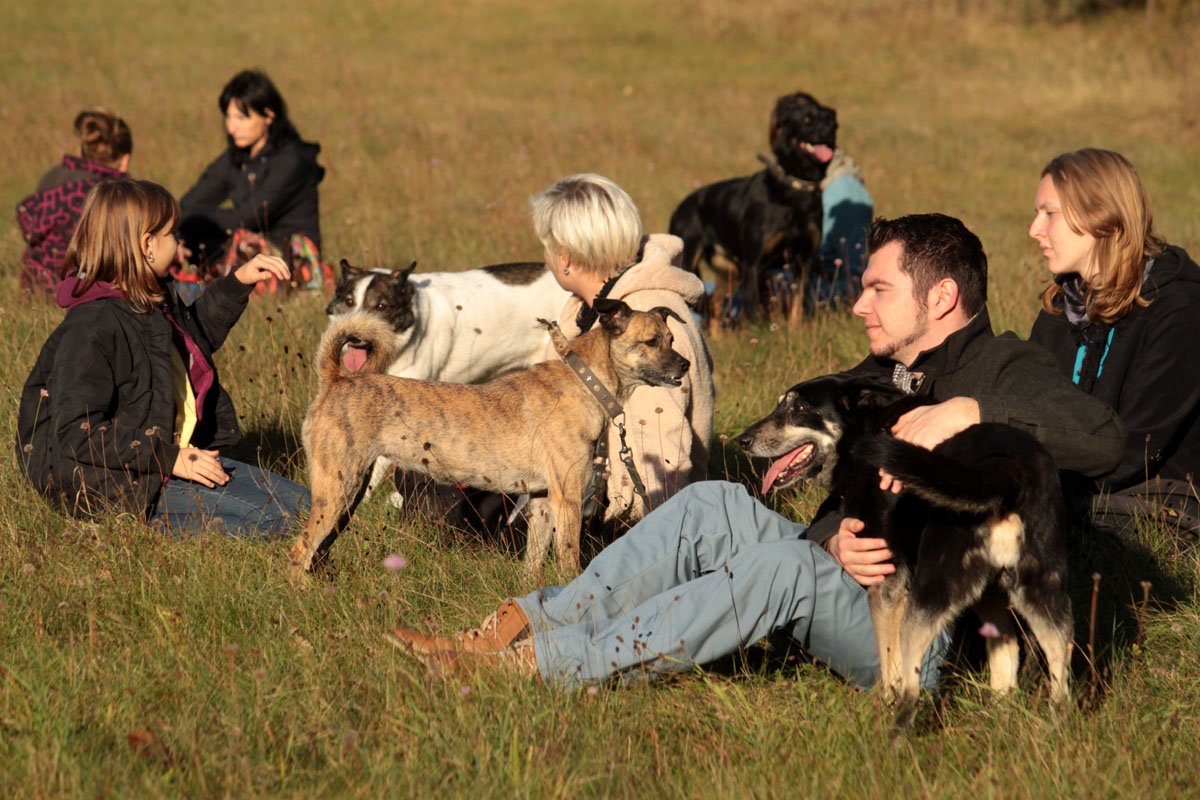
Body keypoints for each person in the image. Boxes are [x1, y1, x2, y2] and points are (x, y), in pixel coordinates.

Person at [387, 213, 1125, 689]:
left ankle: (542, 669)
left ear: (938, 300)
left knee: (781, 565)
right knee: (712, 504)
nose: (859, 304)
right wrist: (832, 534)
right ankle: (515, 625)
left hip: (923, 641)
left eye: (878, 289)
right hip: (854, 588)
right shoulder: (877, 377)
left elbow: (1104, 439)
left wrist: (970, 410)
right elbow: (837, 516)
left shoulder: (1003, 368)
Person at [14, 178, 310, 539]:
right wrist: (170, 459)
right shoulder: (92, 327)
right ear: (146, 245)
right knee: (281, 524)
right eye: (172, 233)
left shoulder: (148, 300)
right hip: (113, 481)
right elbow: (76, 433)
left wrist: (238, 282)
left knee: (310, 506)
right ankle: (141, 525)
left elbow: (193, 340)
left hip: (168, 459)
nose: (180, 242)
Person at [1028, 148, 1200, 536]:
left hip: (1161, 507)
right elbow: (1029, 408)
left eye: (1049, 213)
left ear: (1101, 215)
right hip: (1071, 491)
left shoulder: (1180, 310)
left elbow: (1136, 447)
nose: (1034, 229)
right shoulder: (1062, 306)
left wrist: (1030, 488)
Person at [530, 173, 715, 521]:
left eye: (547, 247)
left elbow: (660, 451)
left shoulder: (644, 323)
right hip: (585, 485)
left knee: (443, 495)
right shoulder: (588, 308)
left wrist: (655, 540)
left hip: (623, 514)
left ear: (564, 257)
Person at [178, 69, 328, 296]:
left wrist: (192, 222)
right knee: (177, 239)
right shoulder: (237, 156)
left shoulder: (292, 161)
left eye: (241, 118)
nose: (231, 127)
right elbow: (188, 204)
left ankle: (198, 294)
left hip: (288, 261)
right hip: (246, 250)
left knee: (238, 241)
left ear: (269, 115)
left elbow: (246, 218)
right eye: (228, 117)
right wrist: (176, 235)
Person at [17, 108, 132, 297]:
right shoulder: (114, 194)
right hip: (86, 293)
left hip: (37, 286)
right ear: (125, 160)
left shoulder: (51, 177)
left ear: (80, 150)